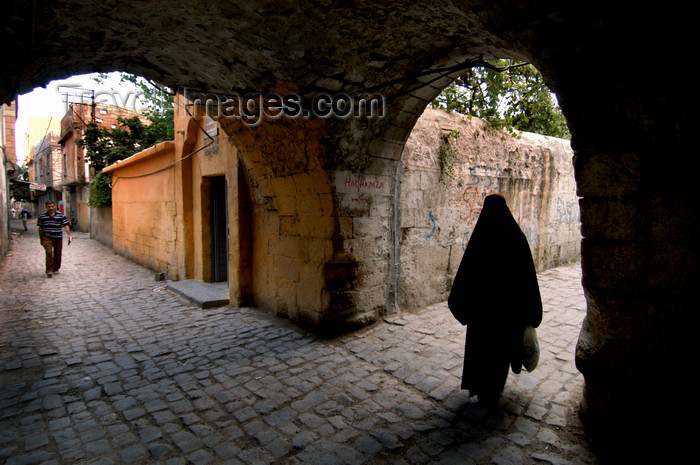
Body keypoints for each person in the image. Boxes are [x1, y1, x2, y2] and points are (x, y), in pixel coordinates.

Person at [448, 194, 542, 404]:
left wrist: (462, 306)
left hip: (482, 315)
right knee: (500, 353)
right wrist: (531, 312)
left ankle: (481, 389)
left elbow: (466, 275)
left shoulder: (481, 238)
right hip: (507, 315)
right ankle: (495, 388)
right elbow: (527, 277)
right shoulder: (517, 238)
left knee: (481, 351)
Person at [37, 200, 72, 278]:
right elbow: (40, 227)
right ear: (46, 207)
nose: (51, 208)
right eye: (49, 206)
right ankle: (49, 270)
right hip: (47, 237)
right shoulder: (42, 216)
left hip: (58, 237)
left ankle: (56, 268)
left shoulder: (61, 215)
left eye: (52, 206)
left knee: (57, 253)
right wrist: (41, 238)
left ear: (55, 206)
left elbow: (65, 225)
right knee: (49, 252)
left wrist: (69, 235)